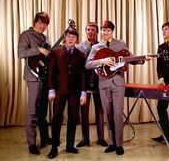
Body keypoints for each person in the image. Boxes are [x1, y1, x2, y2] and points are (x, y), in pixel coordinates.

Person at [86, 20, 145, 155]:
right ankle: (112, 143)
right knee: (108, 113)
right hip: (103, 84)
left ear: (112, 31)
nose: (105, 32)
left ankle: (119, 144)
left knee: (117, 114)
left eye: (108, 30)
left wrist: (142, 59)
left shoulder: (120, 44)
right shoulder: (96, 47)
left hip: (118, 82)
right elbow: (88, 65)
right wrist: (101, 61)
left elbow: (130, 58)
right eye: (103, 30)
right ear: (100, 31)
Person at [47, 26, 87, 159]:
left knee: (73, 117)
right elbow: (51, 73)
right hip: (59, 91)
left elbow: (82, 75)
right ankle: (54, 147)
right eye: (68, 36)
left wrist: (83, 93)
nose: (70, 39)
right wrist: (51, 90)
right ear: (65, 38)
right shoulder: (56, 52)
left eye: (73, 37)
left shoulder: (81, 55)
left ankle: (70, 145)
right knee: (57, 118)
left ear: (77, 39)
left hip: (75, 92)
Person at [18, 12, 51, 155]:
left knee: (43, 110)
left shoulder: (44, 37)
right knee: (33, 111)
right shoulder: (26, 35)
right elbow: (21, 53)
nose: (43, 26)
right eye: (41, 23)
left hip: (44, 76)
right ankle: (32, 143)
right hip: (33, 77)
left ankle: (45, 138)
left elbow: (46, 56)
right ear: (35, 22)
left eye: (45, 24)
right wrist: (38, 49)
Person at [76, 22, 108, 148]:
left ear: (97, 32)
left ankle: (101, 138)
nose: (90, 32)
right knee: (84, 112)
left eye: (93, 30)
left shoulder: (102, 46)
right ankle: (85, 139)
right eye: (88, 29)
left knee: (100, 112)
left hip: (99, 83)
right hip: (84, 85)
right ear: (86, 31)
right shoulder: (79, 47)